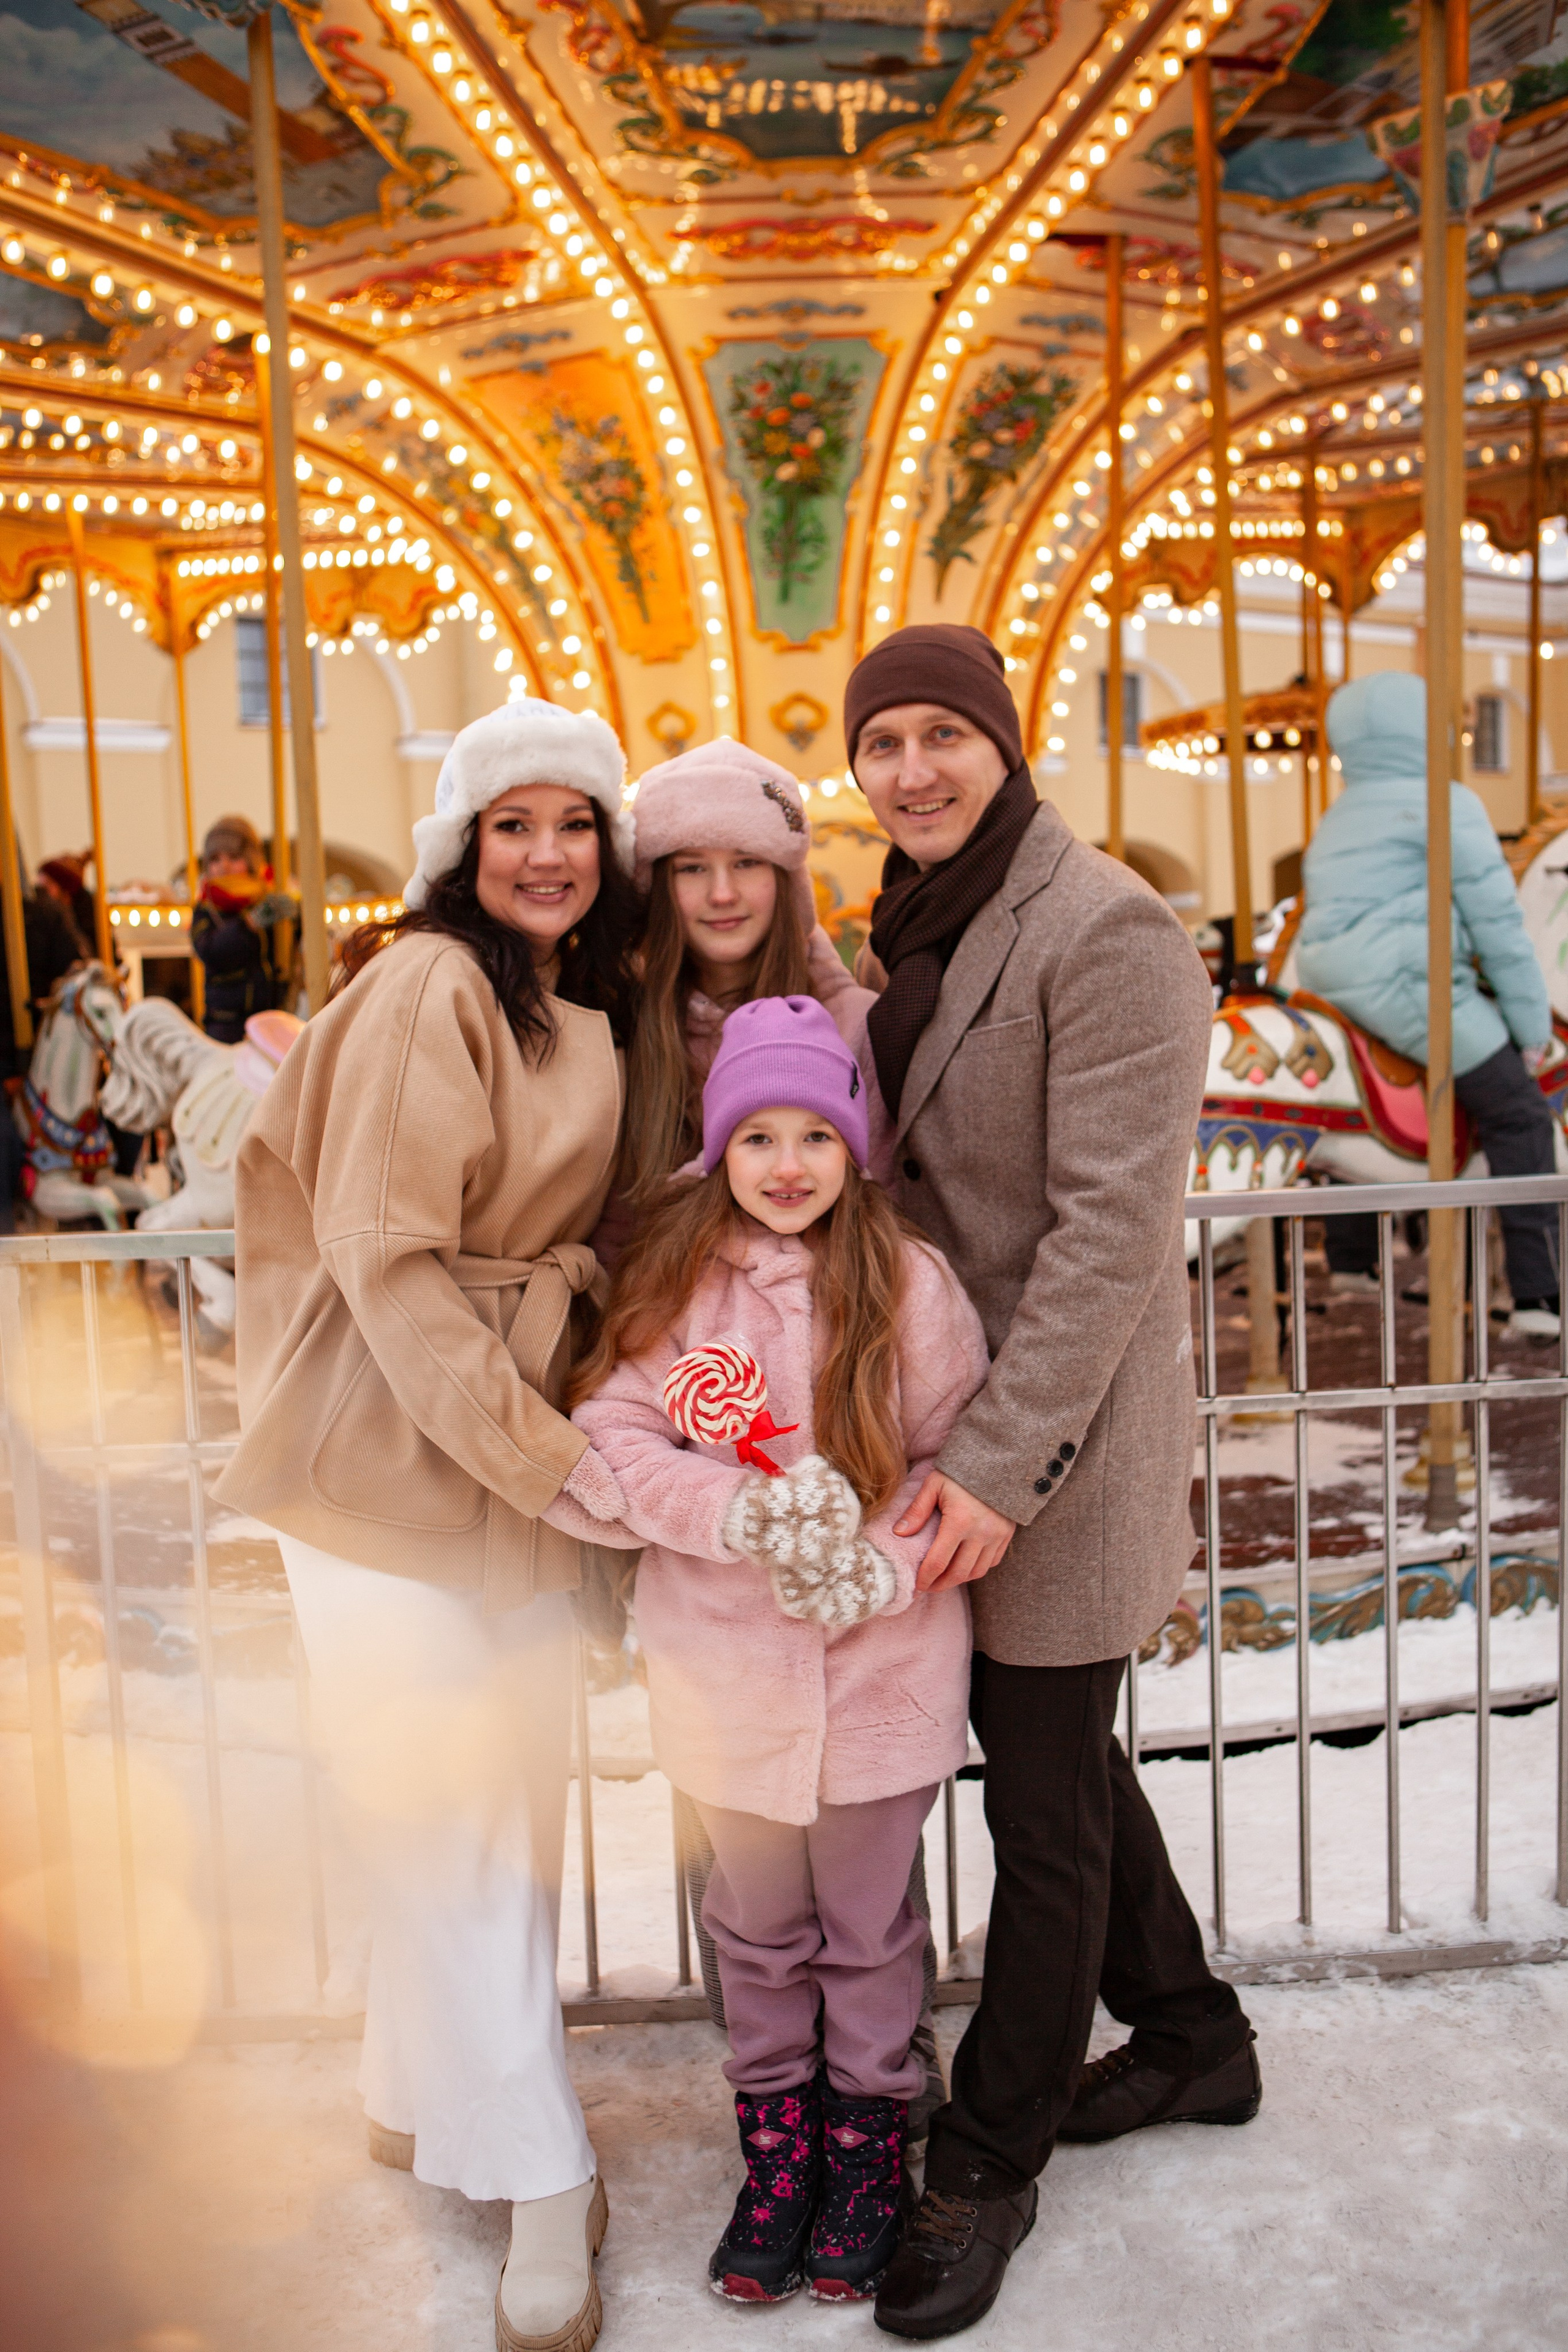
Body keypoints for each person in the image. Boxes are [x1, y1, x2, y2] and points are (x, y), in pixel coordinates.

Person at [829, 625, 1256, 2342]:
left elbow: (1109, 1238)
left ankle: (988, 2159)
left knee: (1042, 1804)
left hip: (1059, 1443)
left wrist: (1004, 1462)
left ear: (1005, 746)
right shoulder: (914, 921)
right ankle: (1192, 2037)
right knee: (1051, 1752)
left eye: (944, 736)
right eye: (884, 745)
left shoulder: (1108, 929)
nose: (912, 770)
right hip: (955, 1424)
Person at [213, 699, 644, 2352]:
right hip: (388, 1455)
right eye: (513, 823)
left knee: (500, 1804)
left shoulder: (561, 1002)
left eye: (576, 823)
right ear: (462, 846)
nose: (547, 854)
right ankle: (542, 2170)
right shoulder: (429, 985)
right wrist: (542, 1457)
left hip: (495, 1427)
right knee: (448, 1805)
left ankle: (414, 2078)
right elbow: (390, 1258)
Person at [570, 995, 988, 2307]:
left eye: (817, 1131)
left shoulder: (907, 1282)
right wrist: (736, 1508)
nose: (789, 1162)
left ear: (855, 1145)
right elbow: (614, 1440)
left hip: (879, 1675)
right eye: (759, 1135)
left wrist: (882, 1556)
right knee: (754, 1928)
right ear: (720, 1150)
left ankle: (868, 2145)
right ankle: (778, 2152)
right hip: (725, 1680)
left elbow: (952, 1457)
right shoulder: (677, 1292)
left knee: (866, 1930)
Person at [1297, 671, 1559, 1335]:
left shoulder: (1339, 811)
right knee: (1520, 1111)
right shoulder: (1446, 802)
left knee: (1347, 1104)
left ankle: (1352, 1256)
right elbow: (1498, 922)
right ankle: (1538, 1295)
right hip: (1408, 979)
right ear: (1426, 729)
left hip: (1330, 980)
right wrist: (1530, 1029)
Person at [616, 734, 875, 1220]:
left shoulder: (853, 1025)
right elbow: (617, 1222)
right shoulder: (628, 1025)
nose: (722, 893)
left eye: (746, 862)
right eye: (692, 868)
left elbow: (878, 1204)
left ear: (786, 880)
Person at [190, 814, 293, 1042]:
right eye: (215, 859)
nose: (224, 866)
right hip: (227, 1023)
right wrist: (248, 924)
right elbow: (210, 950)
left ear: (251, 862)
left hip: (272, 1015)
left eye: (234, 857)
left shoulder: (266, 900)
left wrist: (297, 919)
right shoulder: (207, 909)